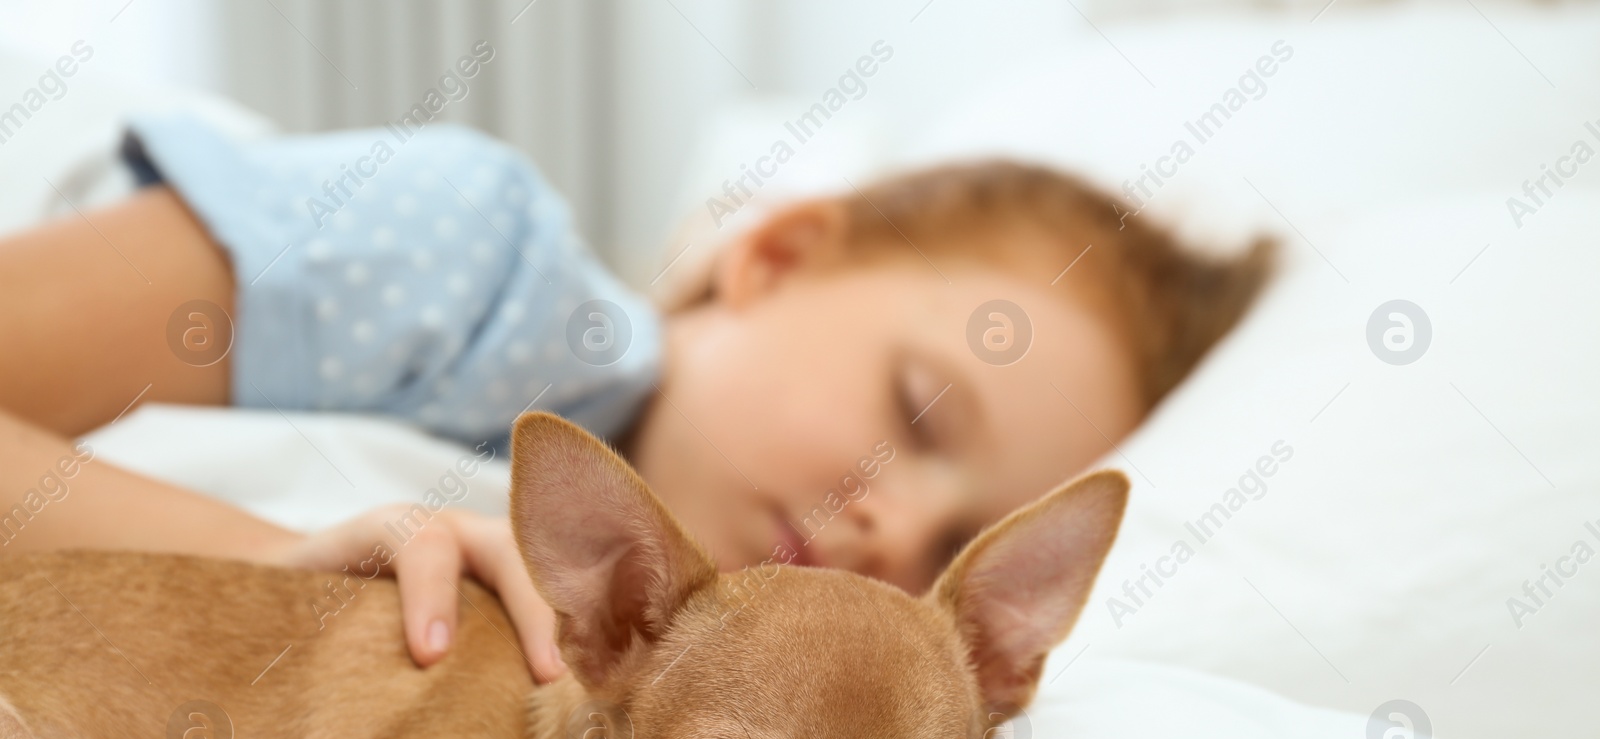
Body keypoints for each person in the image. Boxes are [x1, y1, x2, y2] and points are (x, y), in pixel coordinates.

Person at [0, 116, 1271, 682]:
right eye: (922, 414)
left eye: (950, 549)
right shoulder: (470, 257)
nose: (895, 535)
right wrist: (272, 560)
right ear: (772, 259)